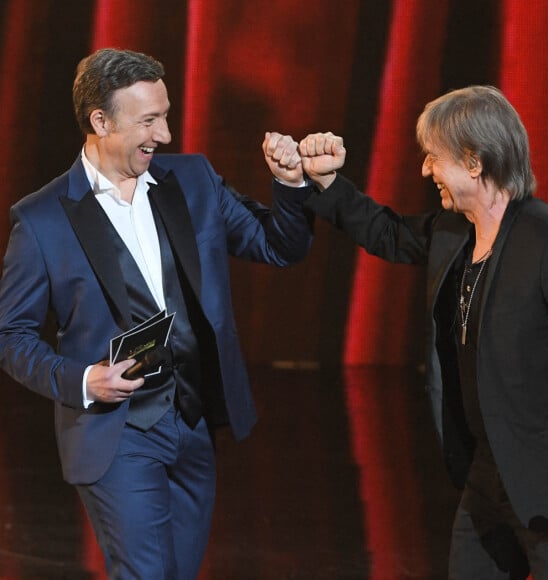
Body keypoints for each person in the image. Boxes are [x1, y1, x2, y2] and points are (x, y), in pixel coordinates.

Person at [0, 48, 313, 579]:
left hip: (192, 425)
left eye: (165, 116)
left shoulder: (192, 181)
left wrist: (289, 184)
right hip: (114, 434)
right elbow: (11, 334)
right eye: (149, 120)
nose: (165, 135)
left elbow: (277, 246)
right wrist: (82, 380)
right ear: (100, 120)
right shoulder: (42, 220)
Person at [299, 86, 548, 578]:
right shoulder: (455, 232)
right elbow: (384, 231)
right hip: (487, 475)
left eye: (434, 158)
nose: (425, 171)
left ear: (474, 162)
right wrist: (327, 183)